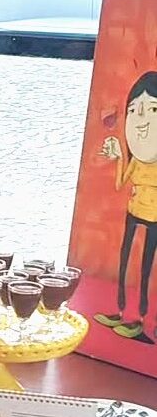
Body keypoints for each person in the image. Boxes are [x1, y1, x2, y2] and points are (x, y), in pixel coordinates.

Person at [97, 71, 157, 344]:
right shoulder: (138, 160)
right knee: (124, 261)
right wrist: (120, 155)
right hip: (133, 211)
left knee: (146, 269)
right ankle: (121, 311)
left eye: (152, 110)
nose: (141, 121)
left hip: (154, 217)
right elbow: (121, 183)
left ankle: (141, 319)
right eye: (134, 111)